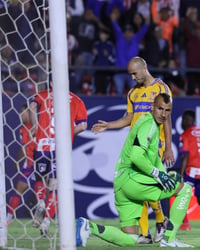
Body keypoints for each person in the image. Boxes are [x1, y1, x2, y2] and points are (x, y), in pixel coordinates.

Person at [76, 93, 193, 248]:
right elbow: (136, 157)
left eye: (167, 110)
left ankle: (88, 226)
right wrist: (158, 175)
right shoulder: (149, 125)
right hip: (132, 179)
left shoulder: (147, 123)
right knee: (184, 189)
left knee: (130, 238)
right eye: (160, 109)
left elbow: (153, 158)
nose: (163, 114)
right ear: (152, 107)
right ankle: (168, 239)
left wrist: (163, 174)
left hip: (121, 183)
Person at [92, 56, 174, 243]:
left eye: (134, 73)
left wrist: (168, 147)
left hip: (154, 145)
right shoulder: (132, 93)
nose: (132, 78)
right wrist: (108, 125)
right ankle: (144, 233)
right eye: (130, 74)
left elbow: (167, 118)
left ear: (144, 69)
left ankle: (161, 220)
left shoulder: (161, 89)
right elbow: (129, 118)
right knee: (138, 189)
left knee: (148, 185)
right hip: (136, 146)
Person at [30, 84, 87, 236]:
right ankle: (47, 221)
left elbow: (32, 107)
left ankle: (40, 201)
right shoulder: (76, 100)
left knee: (40, 179)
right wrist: (68, 133)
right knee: (55, 184)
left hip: (42, 144)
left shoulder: (43, 94)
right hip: (60, 148)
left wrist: (35, 126)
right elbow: (82, 125)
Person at [7, 103, 36, 225]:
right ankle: (8, 218)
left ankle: (7, 219)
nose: (20, 115)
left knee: (20, 191)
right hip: (32, 164)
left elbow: (24, 150)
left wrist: (18, 162)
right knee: (40, 194)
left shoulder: (32, 127)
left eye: (22, 112)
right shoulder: (22, 129)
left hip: (33, 163)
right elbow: (24, 148)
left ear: (30, 113)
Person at [178, 110, 200, 231]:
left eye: (186, 119)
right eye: (183, 119)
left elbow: (185, 156)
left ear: (192, 120)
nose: (184, 122)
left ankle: (185, 224)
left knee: (181, 195)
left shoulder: (185, 134)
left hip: (191, 171)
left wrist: (181, 175)